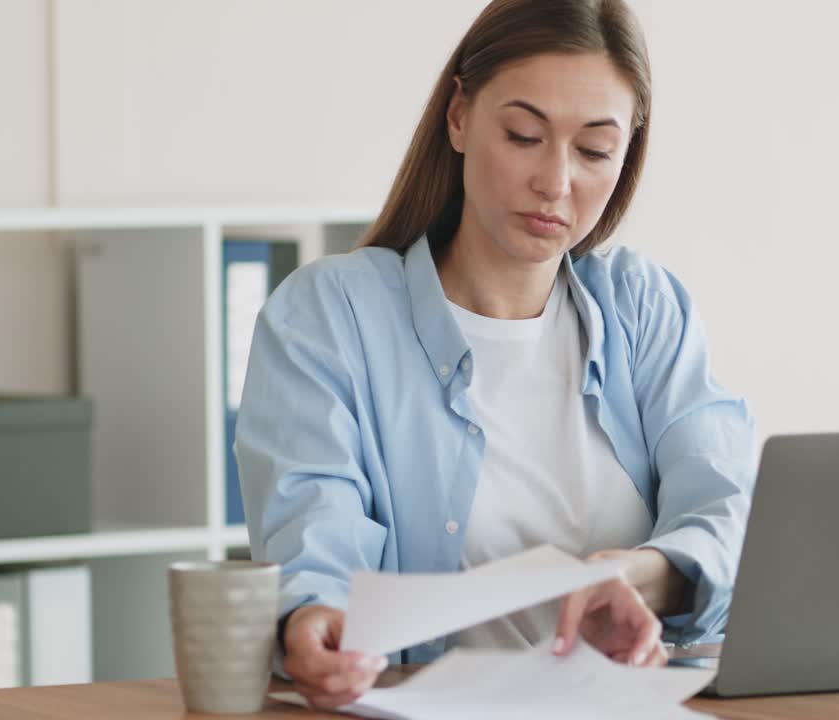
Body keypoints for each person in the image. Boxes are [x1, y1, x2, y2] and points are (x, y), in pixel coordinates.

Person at [236, 0, 756, 709]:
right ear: (458, 117)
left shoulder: (644, 306)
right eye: (523, 135)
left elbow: (728, 508)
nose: (557, 181)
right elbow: (314, 531)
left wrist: (637, 574)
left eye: (595, 150)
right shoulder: (328, 315)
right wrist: (316, 618)